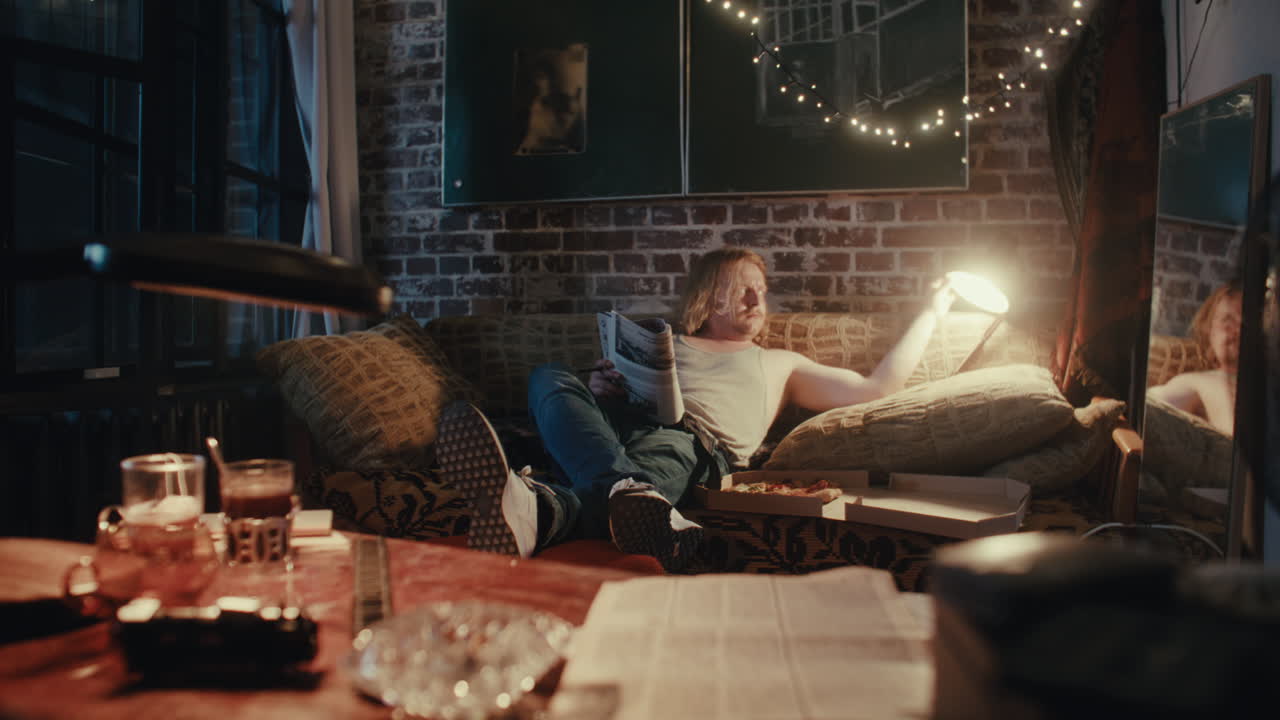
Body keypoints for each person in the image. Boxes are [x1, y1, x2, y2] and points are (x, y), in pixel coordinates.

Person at [436, 248, 956, 571]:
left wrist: (933, 310)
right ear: (709, 296)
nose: (756, 300)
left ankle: (541, 506)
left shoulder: (779, 361)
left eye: (761, 291)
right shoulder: (666, 342)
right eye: (741, 289)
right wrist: (600, 386)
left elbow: (875, 388)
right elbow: (592, 401)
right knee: (549, 375)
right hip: (612, 427)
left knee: (666, 448)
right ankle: (628, 497)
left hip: (691, 444)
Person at [1147, 279, 1242, 435]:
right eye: (1227, 319)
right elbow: (1155, 407)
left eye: (1247, 322)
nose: (1238, 330)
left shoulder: (1269, 386)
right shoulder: (1202, 382)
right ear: (1209, 330)